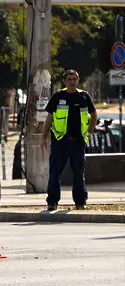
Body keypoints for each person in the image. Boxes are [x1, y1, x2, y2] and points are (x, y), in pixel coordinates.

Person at [41, 69, 97, 211]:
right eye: (70, 79)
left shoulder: (84, 96)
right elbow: (49, 119)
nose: (72, 81)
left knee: (79, 173)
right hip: (60, 141)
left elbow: (94, 114)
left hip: (78, 142)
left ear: (78, 80)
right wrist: (43, 138)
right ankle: (52, 202)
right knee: (55, 173)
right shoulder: (58, 96)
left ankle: (80, 202)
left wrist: (89, 133)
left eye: (75, 79)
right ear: (65, 81)